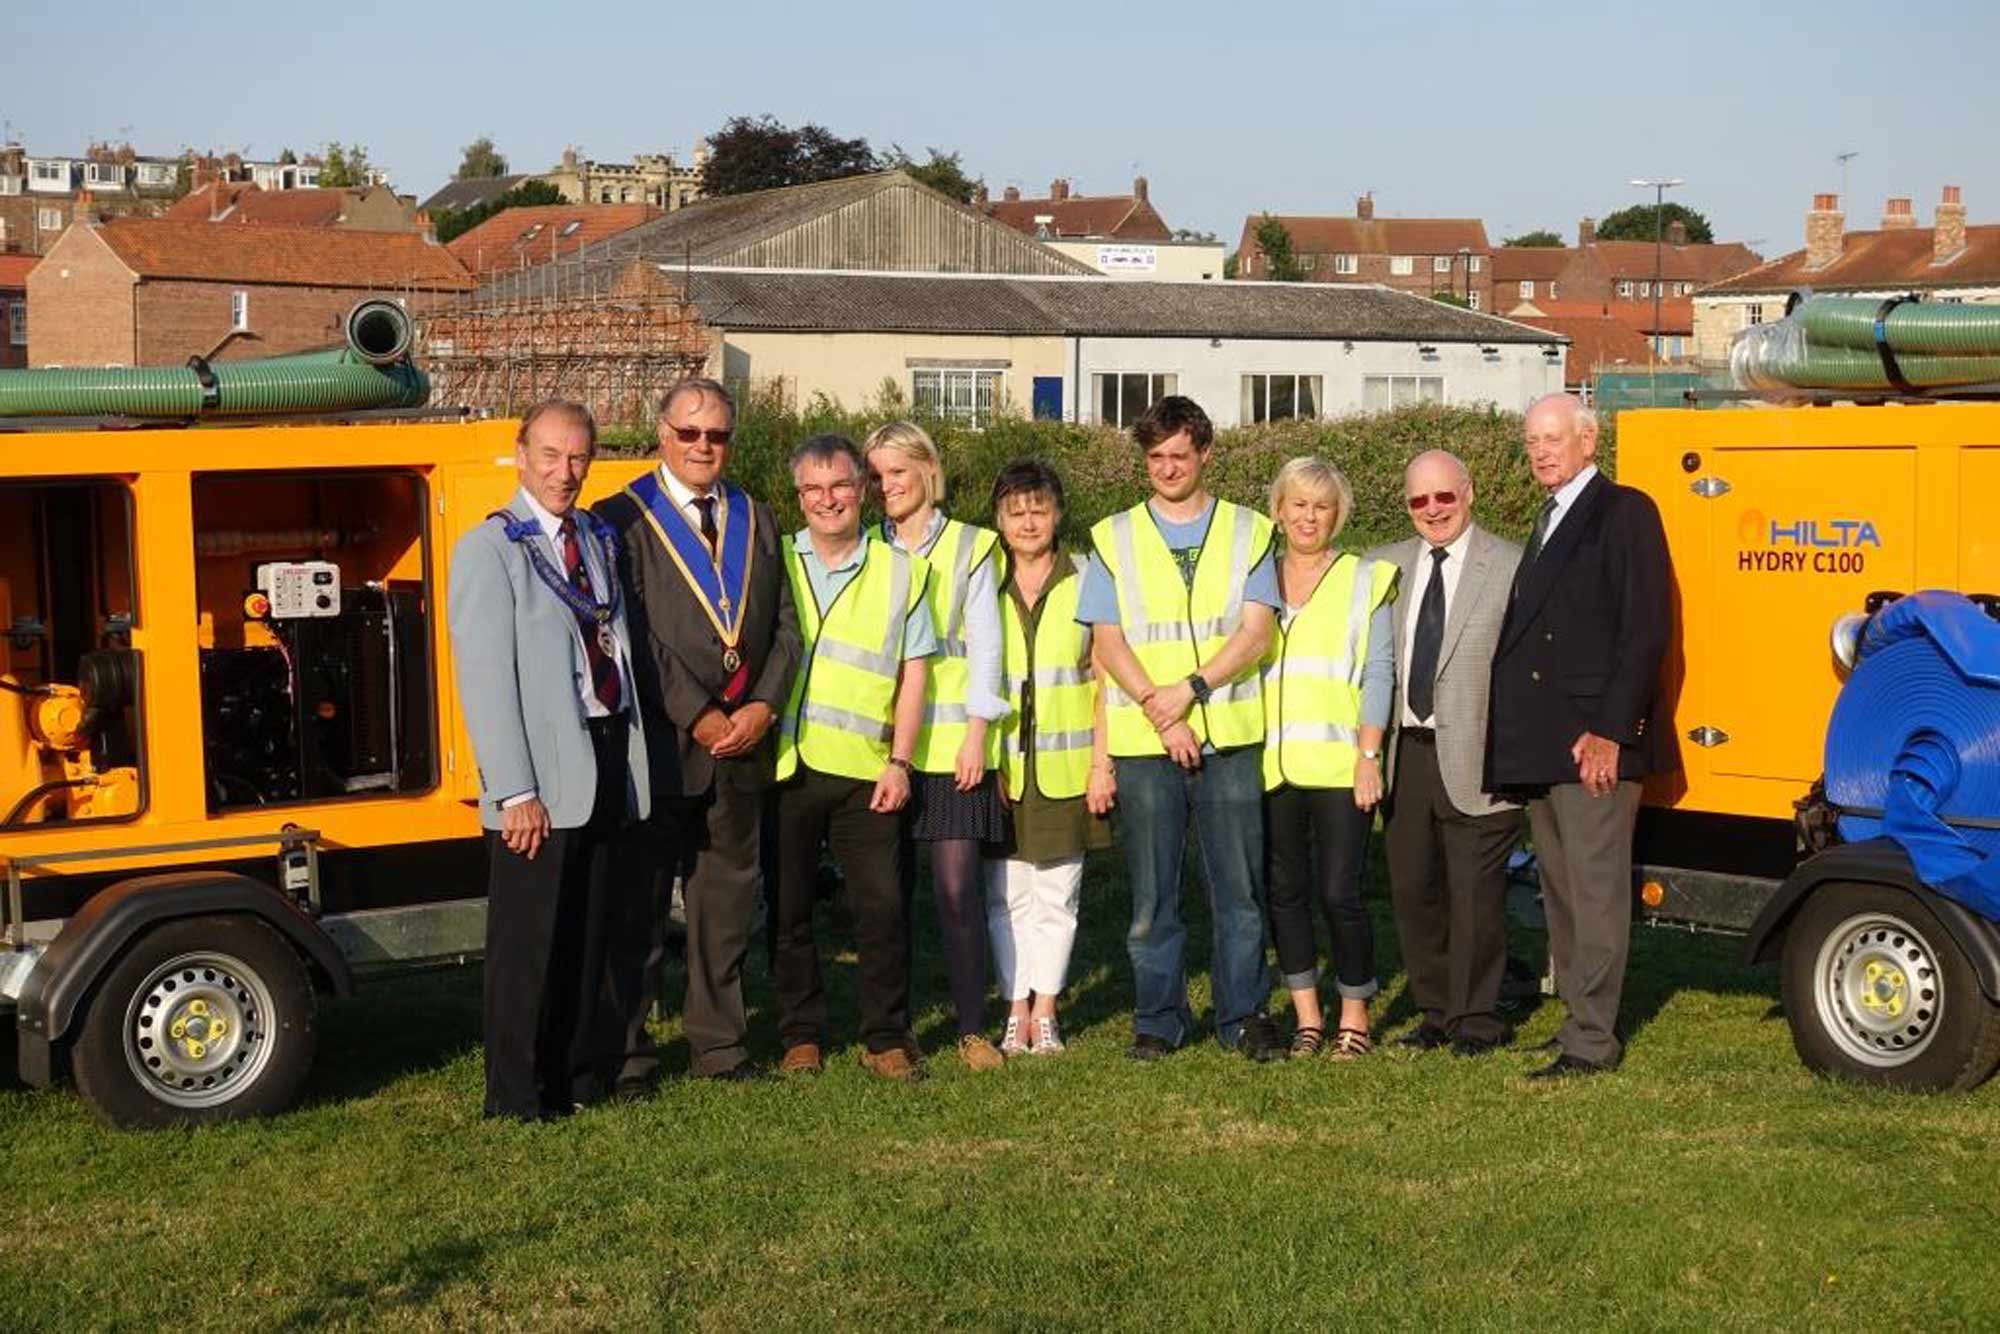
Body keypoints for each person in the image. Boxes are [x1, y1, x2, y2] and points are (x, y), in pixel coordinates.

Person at [447, 399, 650, 1121]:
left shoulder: (594, 538)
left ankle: (574, 1078)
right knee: (527, 947)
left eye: (577, 458)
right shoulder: (489, 550)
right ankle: (516, 1094)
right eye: (551, 456)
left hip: (600, 754)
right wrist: (513, 790)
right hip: (535, 774)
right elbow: (486, 681)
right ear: (521, 454)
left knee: (585, 934)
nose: (565, 473)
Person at [595, 378, 800, 1086]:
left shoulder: (756, 514)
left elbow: (786, 627)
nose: (703, 447)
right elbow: (629, 633)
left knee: (726, 905)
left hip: (741, 744)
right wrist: (701, 713)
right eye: (690, 433)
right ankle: (627, 1053)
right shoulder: (619, 517)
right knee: (639, 907)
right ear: (662, 432)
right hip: (659, 743)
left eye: (716, 435)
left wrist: (763, 706)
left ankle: (720, 1046)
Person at [1079, 395, 1286, 1063]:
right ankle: (1157, 1021)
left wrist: (1189, 691)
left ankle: (1244, 1015)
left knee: (1240, 892)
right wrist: (1158, 708)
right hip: (1146, 741)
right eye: (1155, 456)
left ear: (1205, 454)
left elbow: (1257, 633)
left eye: (1178, 454)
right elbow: (1106, 642)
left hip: (1226, 734)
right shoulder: (1113, 535)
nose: (1166, 467)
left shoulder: (1250, 530)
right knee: (1151, 898)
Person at [1488, 394, 1676, 1080]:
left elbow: (1645, 628)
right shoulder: (1549, 515)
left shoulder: (1625, 511)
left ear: (1588, 440)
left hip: (1592, 743)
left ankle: (1593, 1041)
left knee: (1595, 893)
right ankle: (1578, 1022)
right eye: (1532, 439)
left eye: (1553, 438)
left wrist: (1611, 732)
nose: (1540, 451)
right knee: (1563, 891)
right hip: (1547, 743)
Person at [770, 434, 936, 1081]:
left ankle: (885, 1035)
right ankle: (800, 1034)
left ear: (862, 489)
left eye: (839, 485)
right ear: (799, 497)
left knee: (882, 909)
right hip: (787, 764)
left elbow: (914, 673)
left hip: (870, 769)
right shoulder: (775, 558)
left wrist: (901, 759)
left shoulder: (901, 571)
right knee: (788, 910)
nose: (827, 500)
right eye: (812, 489)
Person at [864, 421, 1011, 1072]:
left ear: (927, 470)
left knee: (956, 891)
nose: (885, 486)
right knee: (886, 895)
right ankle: (891, 1032)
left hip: (952, 742)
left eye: (897, 471)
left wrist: (978, 731)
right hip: (879, 743)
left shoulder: (973, 547)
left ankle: (973, 1028)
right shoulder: (865, 545)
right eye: (875, 475)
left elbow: (986, 647)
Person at [1369, 450, 1523, 1058]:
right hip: (1404, 756)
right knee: (1414, 890)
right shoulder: (1382, 568)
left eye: (1444, 497)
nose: (1432, 510)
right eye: (1418, 501)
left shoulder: (1511, 566)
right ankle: (1435, 1011)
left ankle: (1477, 1017)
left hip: (1482, 756)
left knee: (1477, 897)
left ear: (1469, 492)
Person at [1255, 458, 1398, 1059]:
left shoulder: (1366, 579)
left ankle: (1355, 1017)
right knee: (1284, 892)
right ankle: (1308, 1016)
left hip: (1342, 765)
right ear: (1279, 510)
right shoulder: (1256, 577)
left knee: (1340, 891)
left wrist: (1371, 753)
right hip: (1272, 766)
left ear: (1338, 515)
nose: (1308, 517)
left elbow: (1379, 673)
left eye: (1321, 506)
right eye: (1298, 505)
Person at [984, 460, 1115, 1057]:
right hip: (1003, 769)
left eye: (1039, 508)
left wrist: (1102, 764)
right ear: (999, 521)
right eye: (1016, 511)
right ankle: (1014, 1009)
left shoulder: (1089, 576)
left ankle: (1047, 1009)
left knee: (1058, 896)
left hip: (1069, 770)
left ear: (1058, 514)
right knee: (1007, 896)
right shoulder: (982, 581)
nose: (1028, 521)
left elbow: (1105, 678)